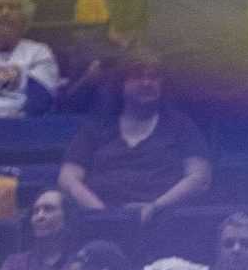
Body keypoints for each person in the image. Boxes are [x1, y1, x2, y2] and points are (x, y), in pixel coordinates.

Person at [57, 52, 212, 224]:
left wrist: (155, 207)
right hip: (100, 224)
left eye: (153, 77)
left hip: (164, 223)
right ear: (121, 83)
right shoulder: (97, 127)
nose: (147, 83)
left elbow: (200, 178)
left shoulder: (180, 125)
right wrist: (102, 214)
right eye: (137, 76)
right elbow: (68, 178)